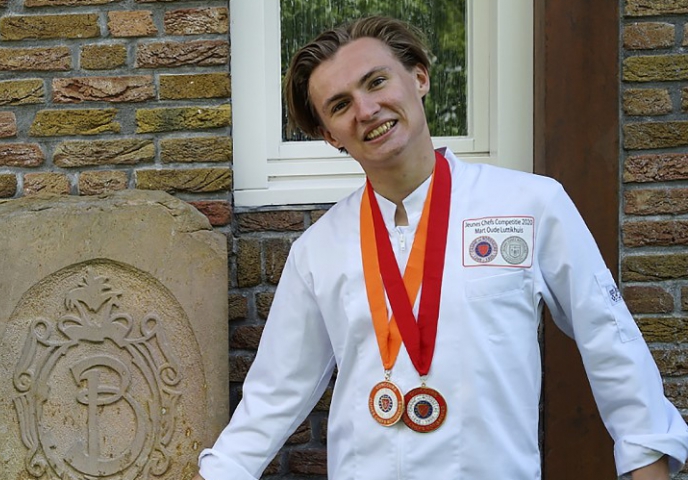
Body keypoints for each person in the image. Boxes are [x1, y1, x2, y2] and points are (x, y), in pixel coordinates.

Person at [196, 16, 688, 480]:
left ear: (419, 78)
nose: (366, 110)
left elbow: (607, 333)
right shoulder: (317, 250)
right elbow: (274, 393)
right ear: (330, 135)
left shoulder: (529, 205)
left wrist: (647, 453)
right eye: (340, 105)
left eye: (376, 82)